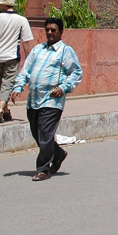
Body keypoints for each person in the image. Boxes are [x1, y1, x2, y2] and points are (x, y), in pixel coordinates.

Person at [10, 18, 84, 181]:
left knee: (45, 134)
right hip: (34, 100)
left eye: (53, 30)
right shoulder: (38, 50)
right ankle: (58, 154)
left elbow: (76, 72)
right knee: (38, 134)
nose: (50, 33)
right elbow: (26, 70)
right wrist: (18, 87)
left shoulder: (65, 51)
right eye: (48, 30)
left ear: (61, 32)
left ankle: (43, 169)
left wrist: (63, 88)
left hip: (52, 100)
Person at [0, 0, 33, 124]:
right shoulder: (22, 20)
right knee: (8, 84)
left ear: (4, 5)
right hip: (12, 55)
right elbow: (26, 42)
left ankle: (6, 111)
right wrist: (29, 59)